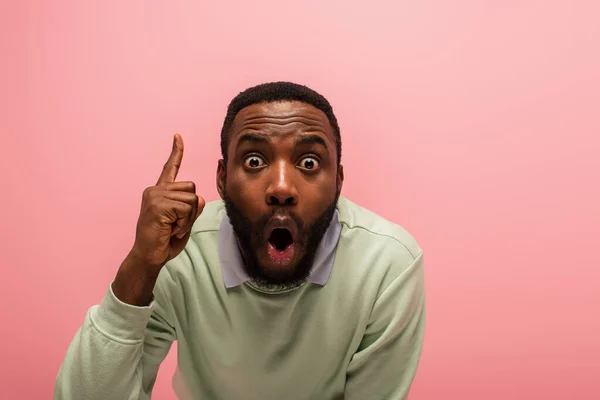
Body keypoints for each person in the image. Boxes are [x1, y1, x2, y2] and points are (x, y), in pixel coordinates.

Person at [54, 81, 426, 400]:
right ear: (221, 178)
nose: (281, 187)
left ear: (338, 182)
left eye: (309, 162)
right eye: (253, 161)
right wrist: (140, 264)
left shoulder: (387, 265)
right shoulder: (180, 252)